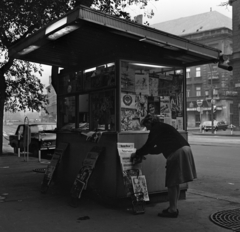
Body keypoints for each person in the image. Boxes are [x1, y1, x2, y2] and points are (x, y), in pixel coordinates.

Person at [131, 114, 197, 218]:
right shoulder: (164, 127)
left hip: (177, 153)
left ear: (149, 123)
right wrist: (143, 153)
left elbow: (149, 145)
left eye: (146, 126)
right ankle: (173, 207)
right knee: (175, 182)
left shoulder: (156, 129)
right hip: (185, 149)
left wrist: (137, 153)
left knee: (171, 182)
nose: (147, 129)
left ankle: (172, 210)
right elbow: (158, 149)